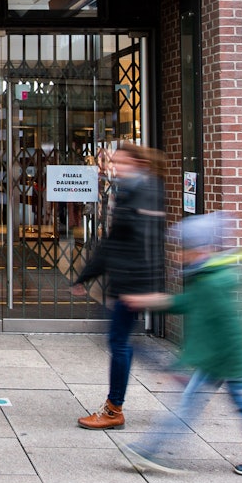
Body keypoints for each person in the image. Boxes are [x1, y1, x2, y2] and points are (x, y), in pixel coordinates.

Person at [120, 212, 242, 478]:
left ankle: (148, 451)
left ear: (199, 249)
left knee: (188, 405)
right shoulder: (213, 275)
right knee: (240, 405)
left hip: (223, 359)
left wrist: (182, 363)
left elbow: (210, 326)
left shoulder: (212, 281)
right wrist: (148, 301)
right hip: (226, 357)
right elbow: (188, 302)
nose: (178, 255)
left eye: (182, 249)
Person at [70, 142, 165, 430]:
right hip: (128, 282)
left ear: (138, 164)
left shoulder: (143, 192)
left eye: (123, 163)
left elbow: (140, 244)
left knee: (119, 342)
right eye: (116, 162)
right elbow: (115, 242)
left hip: (131, 283)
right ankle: (173, 374)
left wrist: (138, 288)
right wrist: (87, 276)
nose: (117, 168)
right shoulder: (134, 191)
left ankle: (114, 409)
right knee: (120, 341)